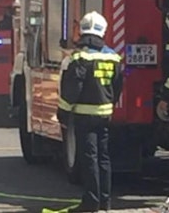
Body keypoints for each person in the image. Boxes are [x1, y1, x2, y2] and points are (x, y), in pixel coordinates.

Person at [59, 11, 124, 212]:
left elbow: (72, 90)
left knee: (89, 159)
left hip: (84, 116)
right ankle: (105, 202)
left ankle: (91, 203)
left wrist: (63, 111)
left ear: (82, 31)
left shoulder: (80, 57)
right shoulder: (113, 56)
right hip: (104, 115)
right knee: (104, 158)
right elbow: (118, 86)